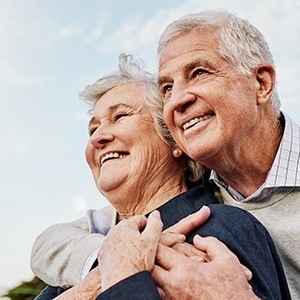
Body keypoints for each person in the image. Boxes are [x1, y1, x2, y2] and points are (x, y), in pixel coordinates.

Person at [31, 54, 289, 299]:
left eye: (120, 116)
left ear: (174, 139)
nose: (97, 138)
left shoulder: (219, 229)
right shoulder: (84, 257)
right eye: (93, 129)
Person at [155, 10, 300, 299]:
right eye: (167, 88)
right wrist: (106, 259)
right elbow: (78, 231)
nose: (177, 101)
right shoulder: (188, 190)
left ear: (261, 84)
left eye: (199, 72)